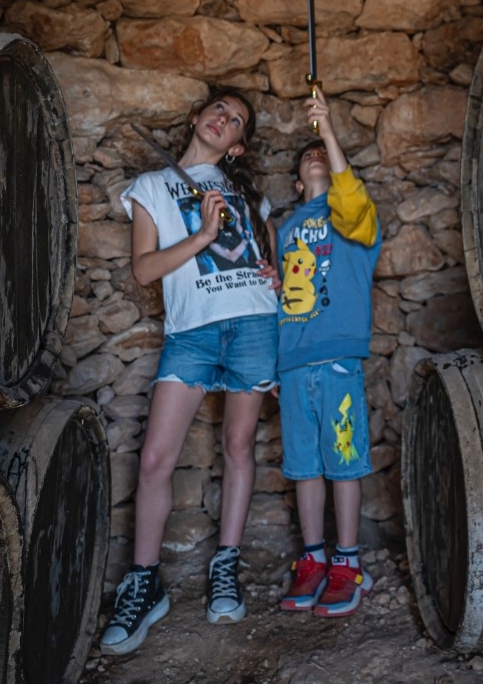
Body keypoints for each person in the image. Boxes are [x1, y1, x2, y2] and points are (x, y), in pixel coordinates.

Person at [101, 88, 279, 656]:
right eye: (219, 110)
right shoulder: (154, 186)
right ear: (198, 118)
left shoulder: (249, 195)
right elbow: (145, 269)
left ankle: (224, 565)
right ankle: (145, 581)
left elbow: (266, 260)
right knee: (155, 458)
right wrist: (201, 237)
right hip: (193, 334)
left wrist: (272, 275)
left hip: (253, 324)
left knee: (238, 444)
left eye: (236, 121)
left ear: (237, 146)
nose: (224, 120)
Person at [275, 89, 381, 617]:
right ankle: (313, 559)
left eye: (321, 154)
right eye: (307, 158)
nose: (314, 156)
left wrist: (329, 133)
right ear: (297, 185)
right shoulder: (286, 229)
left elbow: (351, 197)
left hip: (338, 359)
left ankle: (348, 564)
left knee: (344, 462)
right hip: (294, 364)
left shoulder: (353, 215)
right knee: (303, 465)